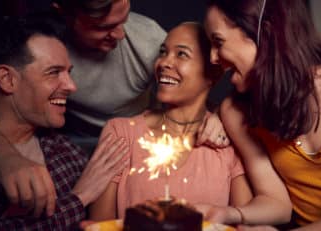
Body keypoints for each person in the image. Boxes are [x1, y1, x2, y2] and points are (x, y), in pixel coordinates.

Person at [0, 0, 229, 219]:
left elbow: (201, 78)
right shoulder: (41, 37)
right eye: (104, 26)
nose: (120, 34)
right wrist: (2, 154)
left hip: (122, 148)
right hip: (76, 142)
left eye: (123, 20)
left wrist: (219, 114)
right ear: (65, 14)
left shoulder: (149, 42)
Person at [197, 0, 321, 230]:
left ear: (265, 34)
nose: (213, 59)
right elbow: (276, 201)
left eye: (218, 42)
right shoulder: (235, 112)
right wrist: (228, 214)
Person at [0, 16, 128, 230]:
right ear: (7, 79)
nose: (72, 86)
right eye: (53, 72)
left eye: (68, 73)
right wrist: (79, 198)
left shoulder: (67, 153)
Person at [88, 22, 252, 221]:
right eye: (163, 52)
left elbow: (245, 224)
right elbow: (99, 225)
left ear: (213, 74)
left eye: (182, 54)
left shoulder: (228, 139)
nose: (164, 62)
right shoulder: (121, 132)